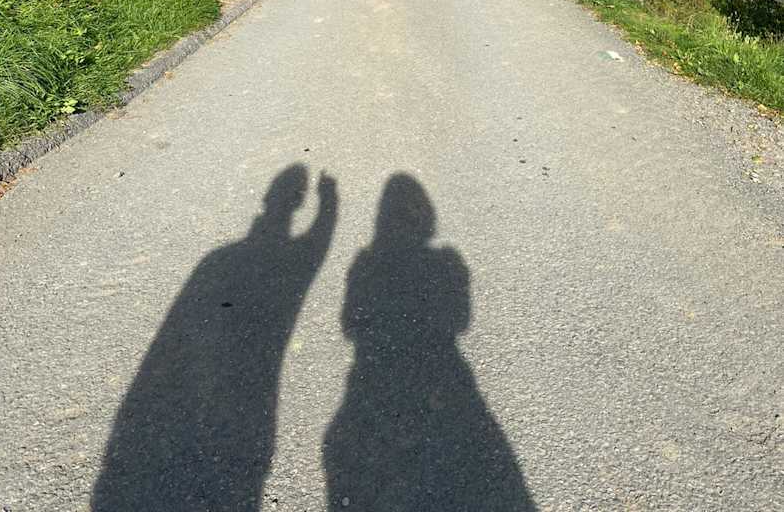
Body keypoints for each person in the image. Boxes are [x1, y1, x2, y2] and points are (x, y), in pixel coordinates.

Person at [92, 165, 338, 511]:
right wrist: (329, 202)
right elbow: (316, 248)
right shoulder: (224, 258)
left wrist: (327, 204)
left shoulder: (218, 258)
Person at [324, 173, 535, 511]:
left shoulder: (365, 263)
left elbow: (350, 325)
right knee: (461, 469)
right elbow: (460, 321)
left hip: (375, 379)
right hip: (444, 376)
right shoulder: (447, 262)